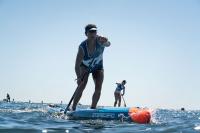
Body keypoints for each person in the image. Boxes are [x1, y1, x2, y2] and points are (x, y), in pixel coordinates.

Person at [71, 24, 111, 111]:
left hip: (98, 67)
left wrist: (106, 40)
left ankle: (93, 108)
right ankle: (73, 108)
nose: (93, 33)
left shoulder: (100, 40)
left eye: (95, 31)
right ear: (86, 34)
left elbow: (108, 44)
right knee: (81, 85)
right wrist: (78, 77)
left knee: (98, 87)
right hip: (85, 67)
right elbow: (77, 65)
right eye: (91, 32)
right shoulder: (82, 47)